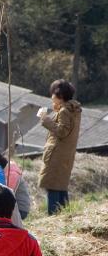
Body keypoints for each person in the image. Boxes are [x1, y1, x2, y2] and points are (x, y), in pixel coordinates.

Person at [39, 79, 81, 215]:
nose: (51, 96)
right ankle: (65, 215)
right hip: (65, 155)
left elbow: (62, 131)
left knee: (53, 187)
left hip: (56, 156)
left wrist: (45, 119)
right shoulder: (73, 109)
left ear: (60, 96)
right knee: (61, 187)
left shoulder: (64, 111)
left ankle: (53, 216)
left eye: (53, 94)